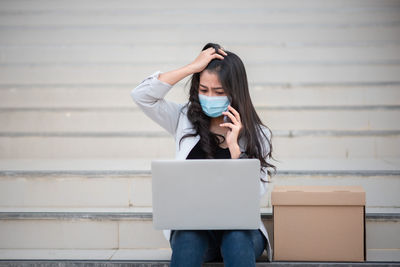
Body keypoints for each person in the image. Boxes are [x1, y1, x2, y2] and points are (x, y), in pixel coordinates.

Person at [130, 43, 277, 266]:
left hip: (242, 234)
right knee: (188, 236)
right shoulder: (183, 119)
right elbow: (142, 96)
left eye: (219, 92)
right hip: (196, 232)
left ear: (235, 91)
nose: (210, 97)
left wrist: (235, 148)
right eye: (204, 90)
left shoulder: (259, 134)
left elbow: (256, 192)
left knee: (236, 237)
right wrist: (191, 68)